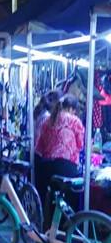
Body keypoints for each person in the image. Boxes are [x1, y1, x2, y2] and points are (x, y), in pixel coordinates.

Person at [36, 94, 85, 224]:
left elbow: (39, 147)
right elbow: (80, 145)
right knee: (70, 198)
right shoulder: (75, 121)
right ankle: (68, 228)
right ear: (72, 109)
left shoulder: (48, 120)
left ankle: (52, 228)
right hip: (67, 167)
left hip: (47, 167)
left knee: (53, 196)